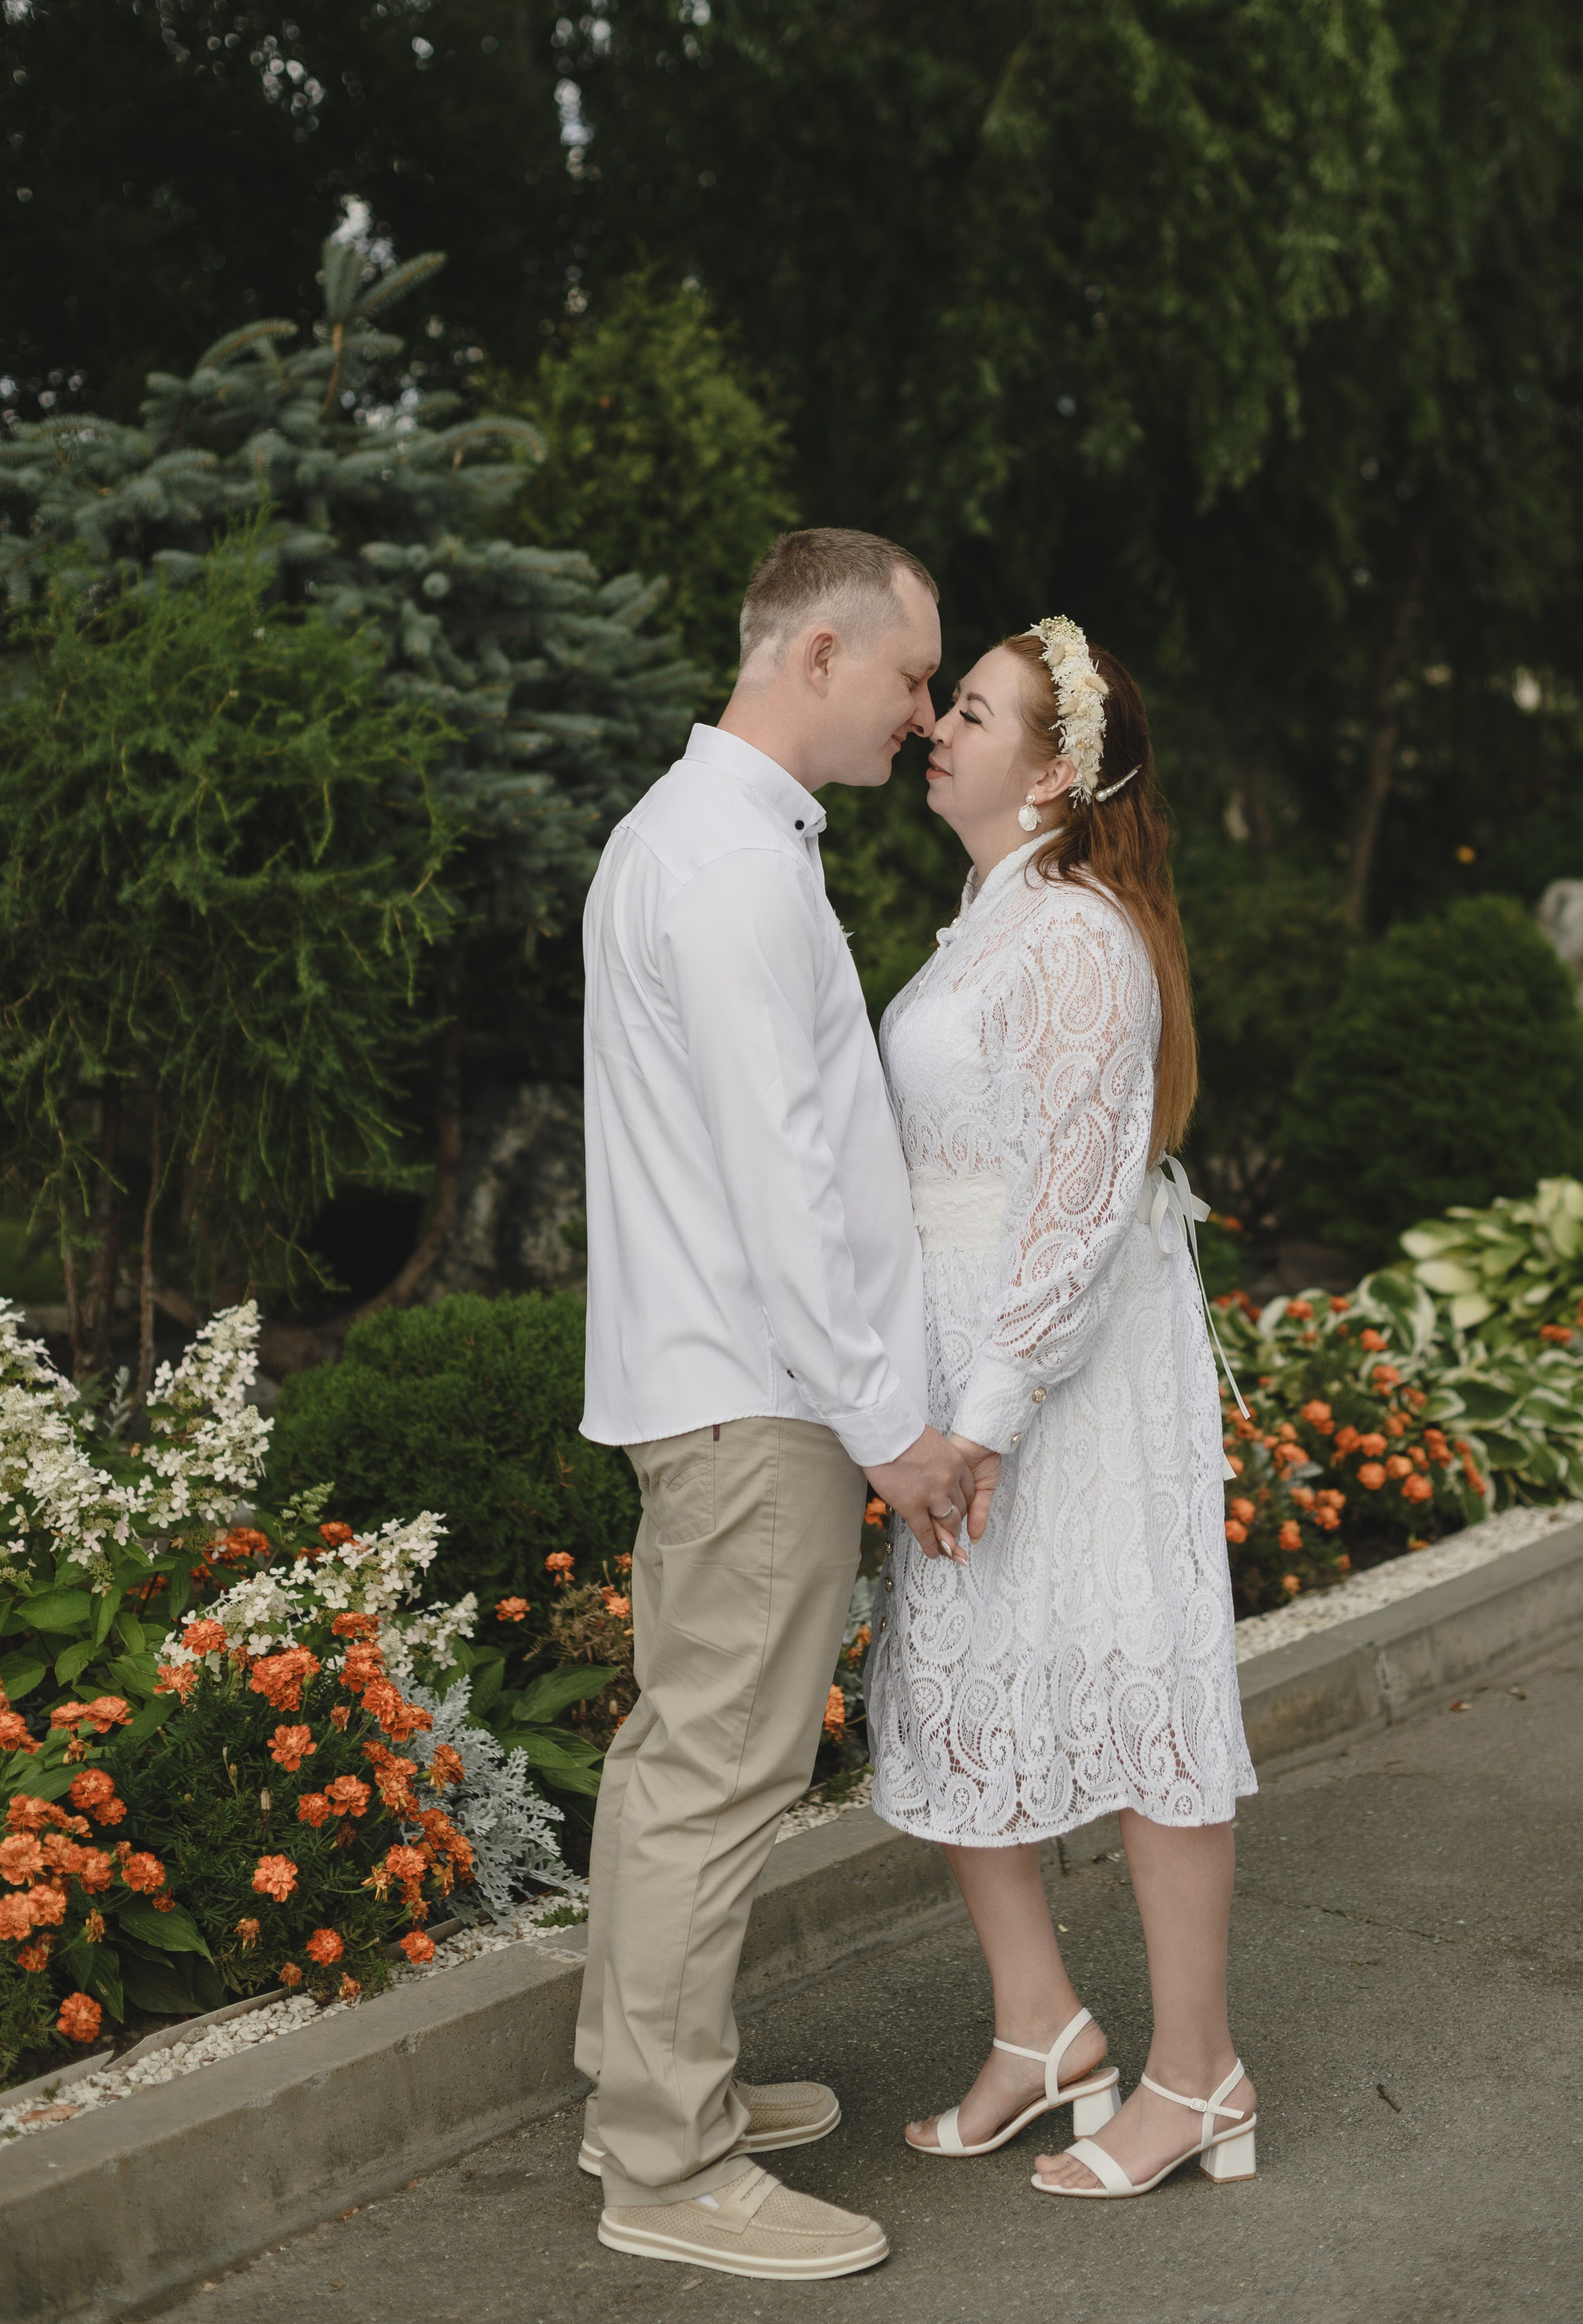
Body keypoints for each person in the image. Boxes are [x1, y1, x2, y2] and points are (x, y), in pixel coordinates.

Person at [575, 528, 989, 2280]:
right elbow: (788, 1183)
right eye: (911, 676)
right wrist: (887, 1421)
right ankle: (666, 2172)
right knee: (713, 1772)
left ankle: (649, 2090)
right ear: (814, 657)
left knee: (677, 1753)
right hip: (760, 1396)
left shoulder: (690, 837)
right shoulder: (734, 868)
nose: (920, 713)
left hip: (721, 1382)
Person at [864, 615, 1260, 2201]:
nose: (935, 727)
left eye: (970, 711)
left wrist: (989, 1411)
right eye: (946, 703)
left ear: (1050, 774)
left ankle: (1198, 2069)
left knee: (1134, 1679)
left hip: (1065, 1380)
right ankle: (1040, 2028)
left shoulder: (1077, 936)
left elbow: (1083, 1204)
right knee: (970, 1676)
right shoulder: (981, 923)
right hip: (958, 1369)